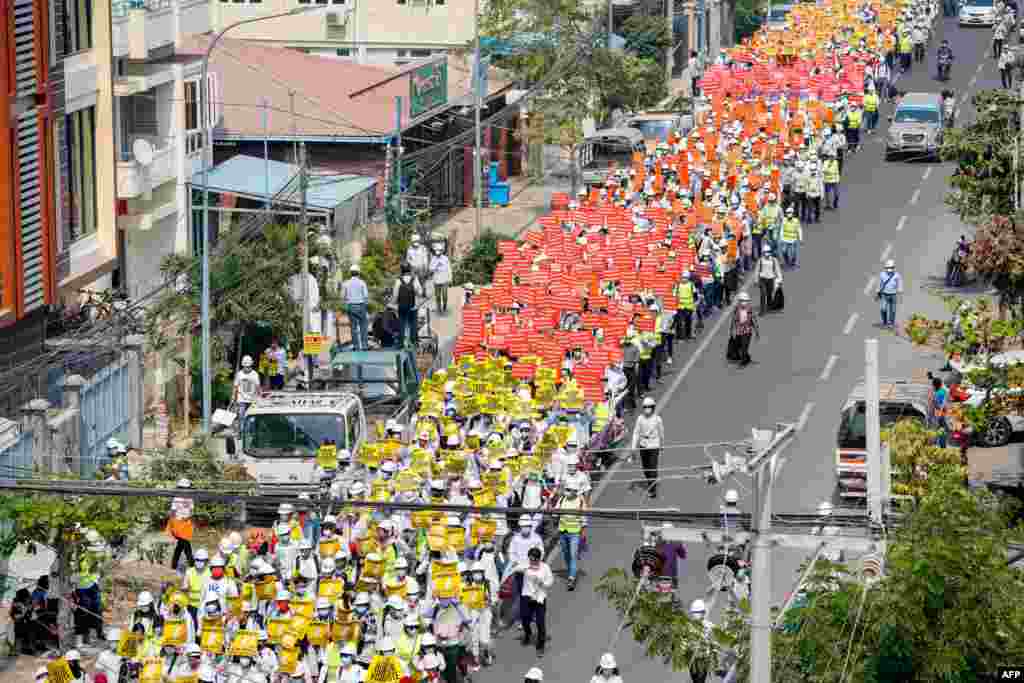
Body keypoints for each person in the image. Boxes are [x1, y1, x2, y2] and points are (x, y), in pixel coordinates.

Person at [518, 546, 553, 656]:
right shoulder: (526, 565)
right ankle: (528, 634)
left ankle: (541, 645)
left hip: (539, 598)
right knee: (524, 618)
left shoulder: (545, 568)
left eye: (534, 559)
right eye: (530, 559)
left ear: (539, 559)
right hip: (527, 596)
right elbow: (515, 568)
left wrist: (543, 583)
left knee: (540, 622)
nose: (532, 561)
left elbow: (550, 580)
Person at [631, 396, 665, 499]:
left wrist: (662, 445)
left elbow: (661, 433)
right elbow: (636, 433)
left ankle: (652, 489)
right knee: (646, 469)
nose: (647, 408)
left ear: (653, 407)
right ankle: (651, 481)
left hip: (654, 445)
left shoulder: (658, 419)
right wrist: (633, 448)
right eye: (645, 406)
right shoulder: (640, 419)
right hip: (643, 445)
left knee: (653, 468)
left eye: (649, 406)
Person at [556, 481, 587, 591]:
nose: (566, 491)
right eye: (566, 489)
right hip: (562, 531)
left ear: (575, 491)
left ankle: (571, 578)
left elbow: (584, 517)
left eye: (569, 490)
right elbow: (556, 513)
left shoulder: (580, 501)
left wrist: (583, 532)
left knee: (573, 555)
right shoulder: (562, 499)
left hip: (575, 532)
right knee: (566, 554)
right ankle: (571, 571)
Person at [392, 263, 424, 350]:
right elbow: (420, 292)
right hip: (413, 306)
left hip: (402, 307)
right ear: (410, 269)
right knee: (413, 324)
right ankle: (413, 343)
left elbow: (395, 295)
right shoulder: (414, 279)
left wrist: (394, 303)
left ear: (401, 270)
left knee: (401, 324)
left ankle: (401, 343)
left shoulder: (398, 280)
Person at [168, 478, 195, 572]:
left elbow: (191, 512)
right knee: (186, 545)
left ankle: (173, 565)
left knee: (180, 546)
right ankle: (192, 564)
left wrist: (187, 520)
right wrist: (172, 526)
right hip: (178, 524)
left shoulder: (190, 499)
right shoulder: (176, 499)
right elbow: (173, 512)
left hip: (185, 524)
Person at [342, 263, 370, 351]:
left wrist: (347, 303)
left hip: (351, 306)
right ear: (358, 273)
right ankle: (365, 345)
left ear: (350, 273)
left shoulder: (346, 283)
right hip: (361, 306)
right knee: (363, 326)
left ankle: (356, 346)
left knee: (353, 327)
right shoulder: (362, 283)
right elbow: (366, 296)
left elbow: (343, 296)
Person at [728, 292, 760, 367]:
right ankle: (746, 357)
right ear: (739, 301)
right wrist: (731, 330)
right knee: (739, 346)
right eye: (742, 300)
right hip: (739, 331)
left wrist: (757, 332)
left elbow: (754, 320)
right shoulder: (736, 309)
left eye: (745, 301)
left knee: (744, 346)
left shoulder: (750, 309)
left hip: (747, 331)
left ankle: (743, 361)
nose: (744, 302)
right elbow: (733, 319)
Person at [877, 259, 903, 328]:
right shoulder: (882, 274)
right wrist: (878, 291)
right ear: (885, 267)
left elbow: (900, 283)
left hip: (893, 294)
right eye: (888, 267)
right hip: (884, 294)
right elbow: (879, 283)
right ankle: (885, 322)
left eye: (891, 267)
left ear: (894, 268)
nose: (890, 269)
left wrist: (900, 291)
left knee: (893, 310)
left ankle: (891, 323)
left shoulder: (897, 275)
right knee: (883, 308)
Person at [232, 355, 260, 422]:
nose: (247, 368)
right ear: (243, 366)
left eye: (249, 366)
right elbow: (235, 386)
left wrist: (259, 397)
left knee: (251, 419)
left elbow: (258, 387)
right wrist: (233, 397)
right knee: (242, 417)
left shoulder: (254, 374)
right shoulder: (239, 374)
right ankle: (242, 431)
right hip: (241, 400)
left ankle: (250, 431)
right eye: (246, 367)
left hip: (252, 400)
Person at [429, 244, 452, 314]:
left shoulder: (445, 258)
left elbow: (449, 269)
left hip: (445, 279)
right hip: (436, 280)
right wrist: (436, 265)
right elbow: (430, 269)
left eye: (439, 251)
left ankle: (444, 305)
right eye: (437, 251)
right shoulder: (433, 259)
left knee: (444, 295)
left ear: (442, 251)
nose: (438, 253)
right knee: (438, 295)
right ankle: (439, 308)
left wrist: (450, 278)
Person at [930, 376, 950, 448]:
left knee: (941, 429)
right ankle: (942, 444)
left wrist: (936, 405)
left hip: (939, 414)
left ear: (934, 385)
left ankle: (942, 445)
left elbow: (937, 405)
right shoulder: (943, 391)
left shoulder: (937, 394)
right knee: (943, 429)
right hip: (943, 414)